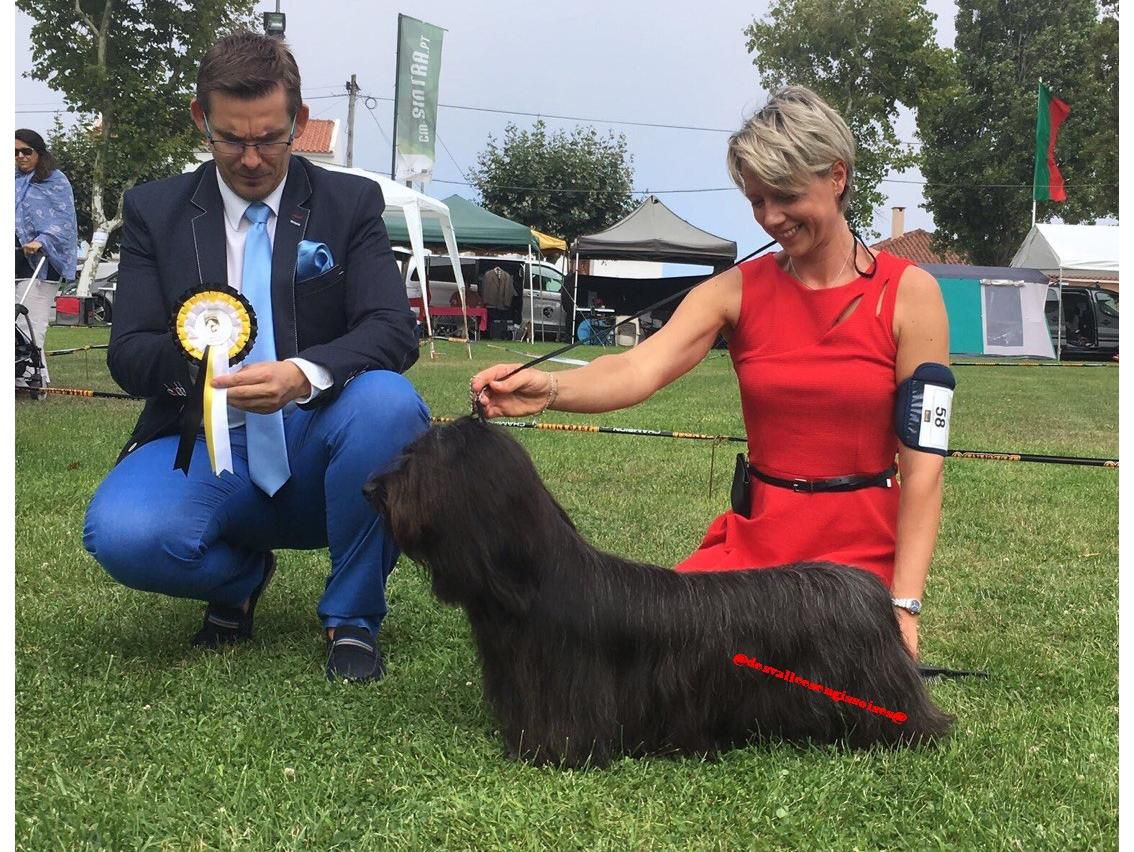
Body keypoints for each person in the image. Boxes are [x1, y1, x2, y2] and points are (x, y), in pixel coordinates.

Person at [471, 86, 950, 660]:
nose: (771, 218)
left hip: (857, 564)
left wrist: (904, 607)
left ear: (837, 176)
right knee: (654, 663)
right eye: (756, 201)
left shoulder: (911, 296)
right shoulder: (733, 293)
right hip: (757, 550)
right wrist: (548, 388)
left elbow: (924, 469)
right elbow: (637, 368)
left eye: (785, 196)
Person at [83, 32, 429, 682]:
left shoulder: (348, 204)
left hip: (321, 434)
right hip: (200, 442)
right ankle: (240, 578)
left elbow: (391, 330)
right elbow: (128, 355)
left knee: (389, 403)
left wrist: (302, 374)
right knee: (122, 535)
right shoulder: (154, 211)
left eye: (270, 137)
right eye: (229, 138)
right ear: (199, 118)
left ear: (298, 120)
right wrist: (205, 366)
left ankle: (352, 620)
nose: (249, 158)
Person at [15, 128, 77, 283]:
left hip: (45, 256)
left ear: (39, 152)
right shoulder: (14, 180)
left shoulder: (55, 180)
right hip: (16, 255)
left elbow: (65, 221)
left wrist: (42, 240)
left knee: (34, 306)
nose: (20, 156)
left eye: (26, 151)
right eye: (15, 152)